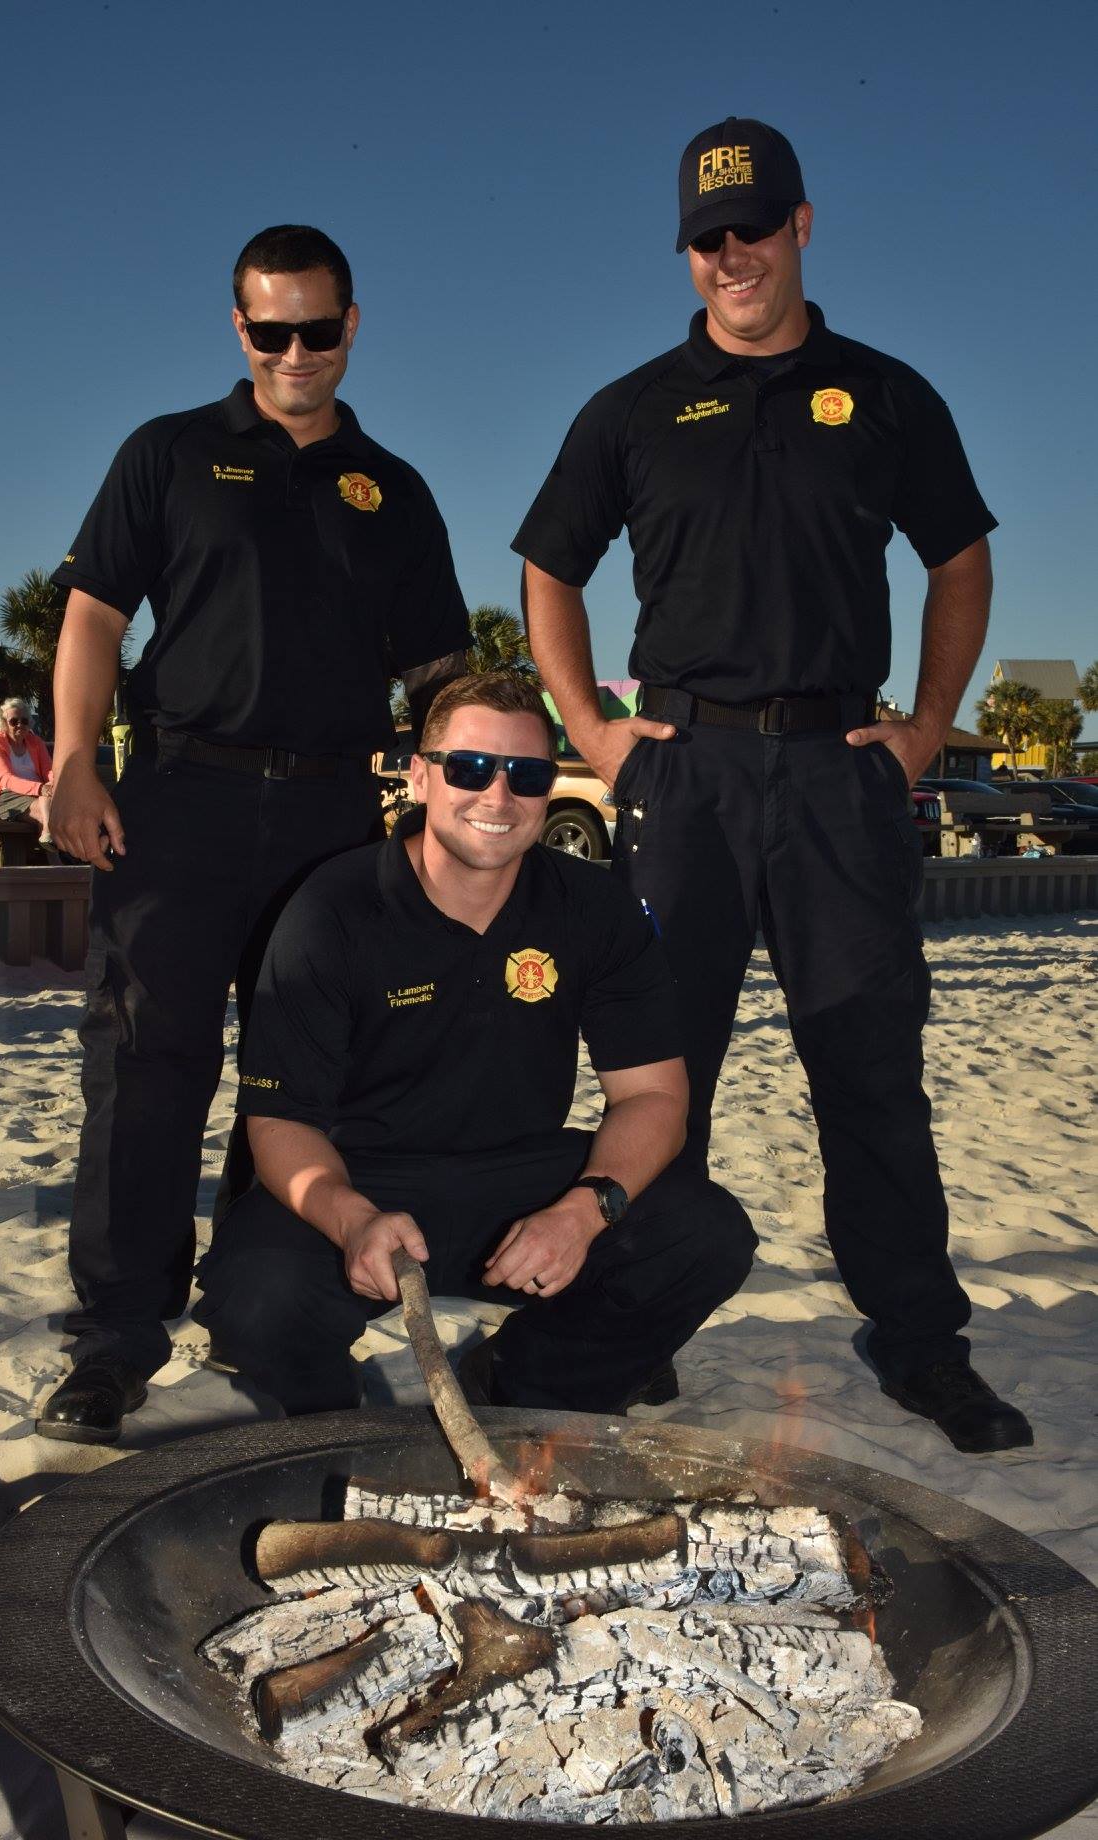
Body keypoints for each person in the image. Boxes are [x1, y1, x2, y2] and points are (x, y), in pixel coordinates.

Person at [512, 118, 1031, 1454]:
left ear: (803, 225)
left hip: (835, 774)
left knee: (870, 1068)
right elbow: (550, 567)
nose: (731, 255)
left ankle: (921, 1344)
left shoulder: (887, 395)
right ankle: (635, 1331)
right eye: (708, 238)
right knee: (660, 1071)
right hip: (681, 776)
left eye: (753, 228)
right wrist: (593, 730)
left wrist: (928, 725)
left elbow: (959, 560)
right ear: (686, 253)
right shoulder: (632, 407)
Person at [36, 225, 469, 1443]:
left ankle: (260, 1312)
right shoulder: (167, 453)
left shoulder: (394, 489)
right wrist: (74, 759)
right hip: (179, 800)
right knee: (145, 1066)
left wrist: (472, 782)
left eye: (315, 330)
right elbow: (94, 613)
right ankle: (117, 1338)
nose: (293, 352)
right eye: (269, 331)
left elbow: (439, 670)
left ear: (351, 325)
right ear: (239, 328)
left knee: (303, 1074)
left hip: (334, 820)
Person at [191, 671, 755, 1418]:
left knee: (705, 1234)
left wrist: (582, 1212)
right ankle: (338, 1434)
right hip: (360, 1177)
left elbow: (654, 1096)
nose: (498, 795)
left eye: (526, 775)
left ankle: (526, 1388)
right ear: (421, 777)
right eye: (470, 768)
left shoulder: (593, 906)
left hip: (522, 1177)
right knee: (256, 1297)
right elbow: (279, 1122)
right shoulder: (333, 907)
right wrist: (352, 1219)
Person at [0, 698, 52, 836]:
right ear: (4, 723)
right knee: (45, 813)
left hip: (38, 794)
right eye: (14, 721)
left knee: (63, 810)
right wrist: (40, 788)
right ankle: (51, 849)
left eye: (24, 721)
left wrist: (54, 783)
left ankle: (51, 844)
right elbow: (5, 779)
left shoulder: (36, 742)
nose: (19, 725)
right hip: (7, 795)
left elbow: (48, 770)